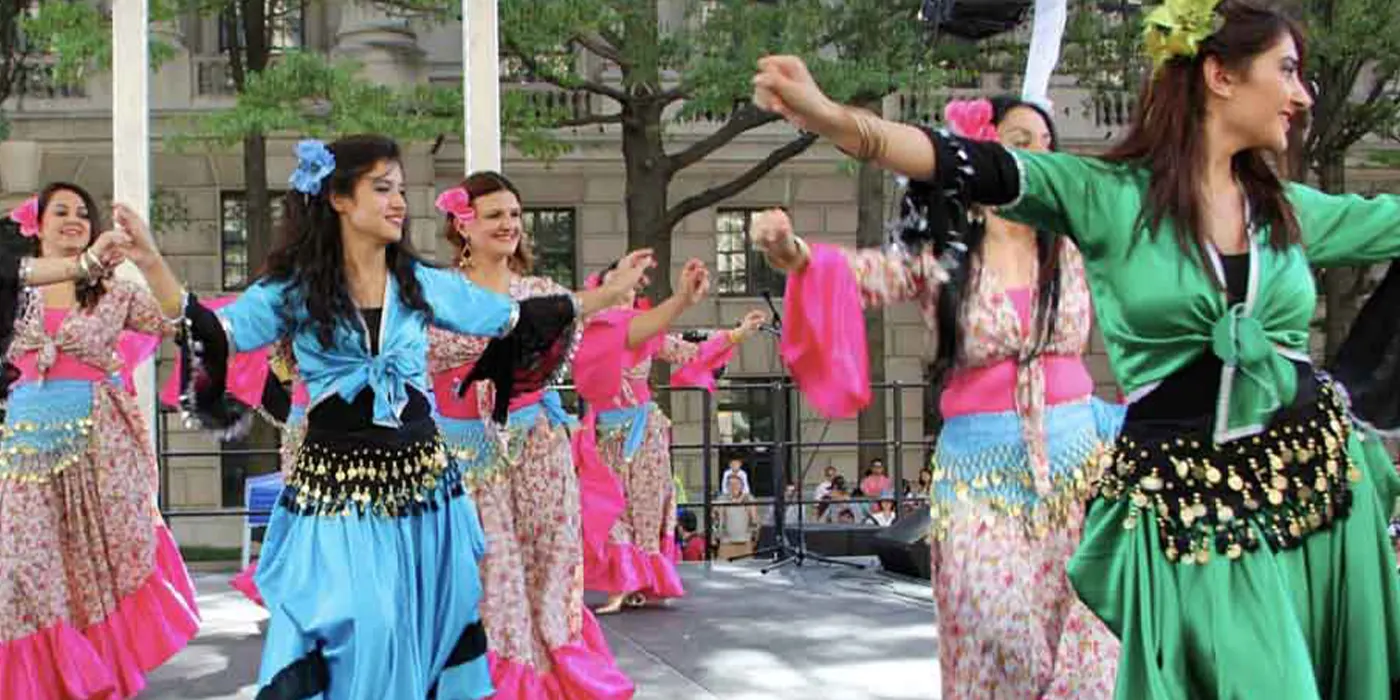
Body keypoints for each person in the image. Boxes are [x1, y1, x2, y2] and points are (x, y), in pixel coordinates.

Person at [750, 1, 1400, 695]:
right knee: (1015, 641)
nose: (1303, 94)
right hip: (1110, 499)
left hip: (1283, 490)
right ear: (1220, 75)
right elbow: (946, 168)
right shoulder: (1093, 205)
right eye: (1289, 70)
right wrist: (828, 120)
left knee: (1117, 665)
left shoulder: (1275, 213)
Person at [121, 135, 636, 700]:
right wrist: (151, 262)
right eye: (382, 188)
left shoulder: (416, 284)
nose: (398, 203)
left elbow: (510, 315)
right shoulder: (295, 291)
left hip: (423, 490)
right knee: (368, 626)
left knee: (420, 628)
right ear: (340, 199)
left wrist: (605, 296)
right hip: (337, 492)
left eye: (401, 191)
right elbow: (216, 330)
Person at [428, 171, 636, 698]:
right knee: (490, 573)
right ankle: (499, 681)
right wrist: (602, 295)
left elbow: (555, 322)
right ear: (463, 224)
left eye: (515, 215)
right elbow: (499, 328)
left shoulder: (540, 290)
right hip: (467, 457)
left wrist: (621, 295)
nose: (509, 225)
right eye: (495, 215)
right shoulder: (439, 293)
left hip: (539, 445)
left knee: (551, 562)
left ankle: (550, 675)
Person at [0, 183, 200, 700]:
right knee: (21, 570)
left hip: (100, 449)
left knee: (94, 571)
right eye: (60, 212)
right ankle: (56, 684)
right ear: (36, 225)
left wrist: (150, 258)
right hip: (21, 454)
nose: (73, 220)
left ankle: (97, 681)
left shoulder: (117, 294)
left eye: (83, 214)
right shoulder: (12, 293)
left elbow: (180, 325)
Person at [572, 258, 766, 614]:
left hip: (643, 433)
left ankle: (637, 584)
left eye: (632, 286)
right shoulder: (585, 328)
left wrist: (737, 334)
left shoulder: (644, 331)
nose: (626, 291)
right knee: (605, 507)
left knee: (644, 508)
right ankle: (622, 581)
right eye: (618, 283)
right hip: (602, 436)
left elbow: (689, 352)